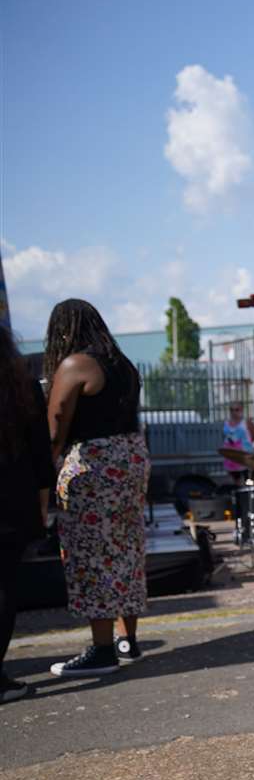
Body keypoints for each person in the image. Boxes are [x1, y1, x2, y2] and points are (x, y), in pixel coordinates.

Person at [42, 299, 152, 677]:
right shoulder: (124, 366)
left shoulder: (75, 365)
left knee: (91, 552)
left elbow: (55, 428)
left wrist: (43, 479)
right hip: (131, 458)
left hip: (94, 464)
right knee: (126, 546)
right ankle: (127, 640)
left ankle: (102, 649)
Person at [0, 324, 53, 702]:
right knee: (4, 588)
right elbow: (41, 458)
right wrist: (41, 507)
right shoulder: (22, 389)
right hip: (10, 503)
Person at [220, 402, 254, 485]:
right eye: (231, 410)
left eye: (237, 410)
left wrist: (246, 445)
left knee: (247, 480)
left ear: (241, 410)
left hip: (245, 456)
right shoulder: (226, 423)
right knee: (235, 482)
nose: (234, 412)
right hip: (232, 458)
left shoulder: (246, 423)